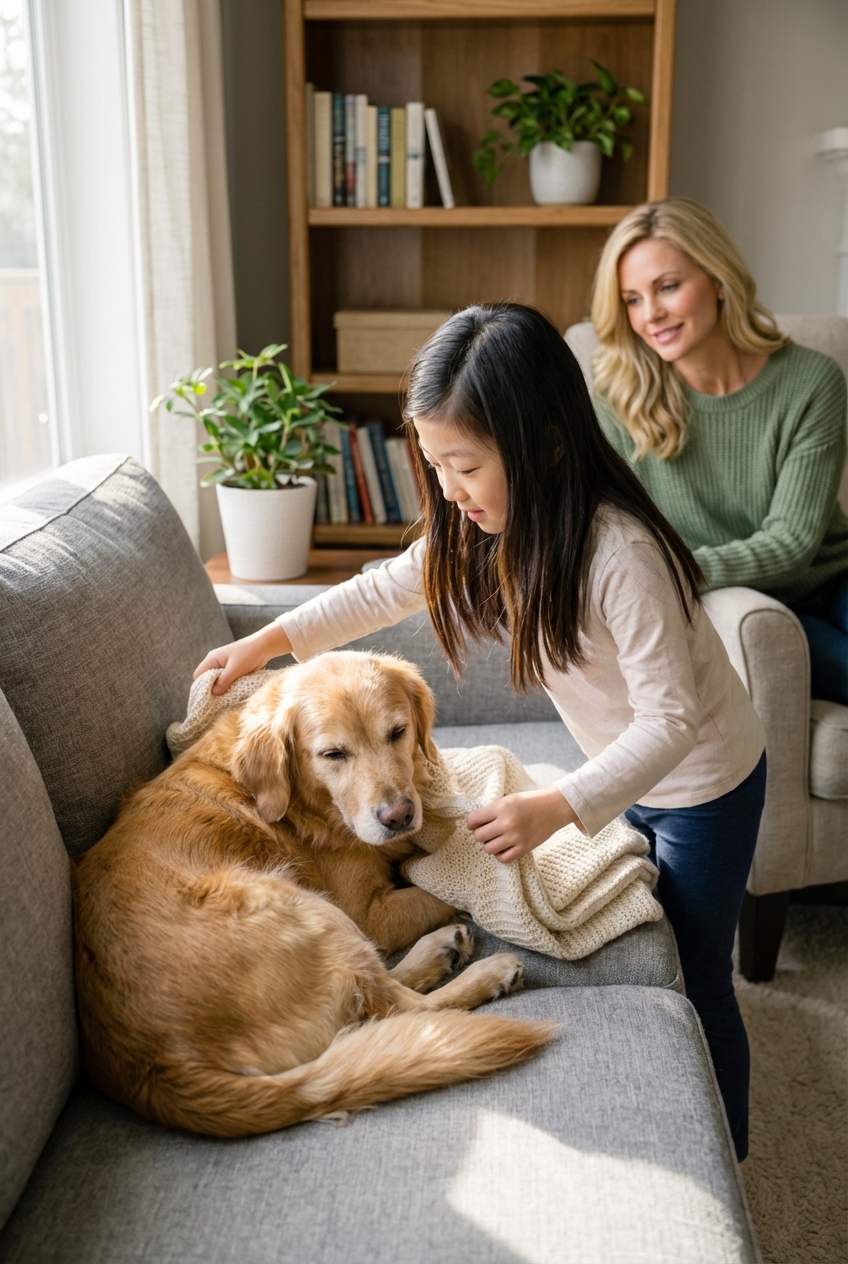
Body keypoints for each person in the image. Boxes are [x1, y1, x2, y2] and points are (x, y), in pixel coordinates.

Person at [196, 303, 766, 1161]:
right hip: (628, 774)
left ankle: (730, 1153)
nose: (451, 492)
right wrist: (261, 643)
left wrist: (557, 807)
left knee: (696, 972)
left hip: (704, 784)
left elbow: (673, 722)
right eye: (437, 467)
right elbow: (379, 590)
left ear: (543, 445)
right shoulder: (480, 527)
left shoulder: (622, 555)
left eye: (464, 465)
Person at [590, 196, 848, 705]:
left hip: (832, 578)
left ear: (718, 278)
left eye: (667, 287)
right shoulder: (616, 401)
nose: (651, 314)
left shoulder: (812, 381)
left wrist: (675, 568)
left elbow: (794, 541)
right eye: (633, 299)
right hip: (736, 603)